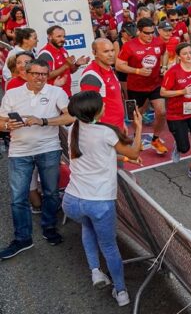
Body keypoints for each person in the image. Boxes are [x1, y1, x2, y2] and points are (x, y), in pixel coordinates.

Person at [62, 91, 143, 307]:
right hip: (99, 202)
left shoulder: (73, 130)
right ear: (95, 111)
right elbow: (135, 151)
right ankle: (122, 291)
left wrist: (122, 157)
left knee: (87, 229)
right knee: (109, 246)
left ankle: (96, 271)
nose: (105, 105)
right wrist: (139, 126)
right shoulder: (106, 133)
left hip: (72, 200)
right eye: (102, 104)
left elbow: (98, 153)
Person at [0, 59, 73, 259]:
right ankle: (22, 238)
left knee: (50, 193)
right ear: (26, 73)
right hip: (19, 152)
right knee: (17, 198)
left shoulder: (56, 93)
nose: (40, 78)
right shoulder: (13, 94)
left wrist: (43, 121)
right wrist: (8, 127)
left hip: (49, 150)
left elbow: (70, 117)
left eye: (43, 74)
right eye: (35, 73)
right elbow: (1, 121)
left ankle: (49, 228)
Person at [116, 17, 168, 155]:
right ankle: (136, 137)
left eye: (152, 32)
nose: (151, 36)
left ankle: (155, 140)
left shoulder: (159, 42)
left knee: (161, 111)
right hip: (136, 87)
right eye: (147, 33)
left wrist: (164, 66)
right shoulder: (129, 46)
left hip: (155, 84)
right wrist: (137, 71)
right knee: (136, 116)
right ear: (139, 31)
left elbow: (165, 52)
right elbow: (119, 65)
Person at [162, 43, 191, 182]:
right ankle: (178, 144)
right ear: (178, 56)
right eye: (185, 53)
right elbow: (163, 92)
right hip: (176, 114)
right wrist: (181, 91)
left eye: (190, 52)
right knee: (184, 148)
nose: (188, 56)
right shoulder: (173, 72)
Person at [80, 39, 124, 130]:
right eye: (106, 51)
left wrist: (122, 123)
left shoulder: (109, 69)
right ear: (94, 53)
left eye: (112, 50)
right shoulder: (91, 76)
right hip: (105, 131)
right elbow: (89, 110)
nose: (111, 54)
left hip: (117, 126)